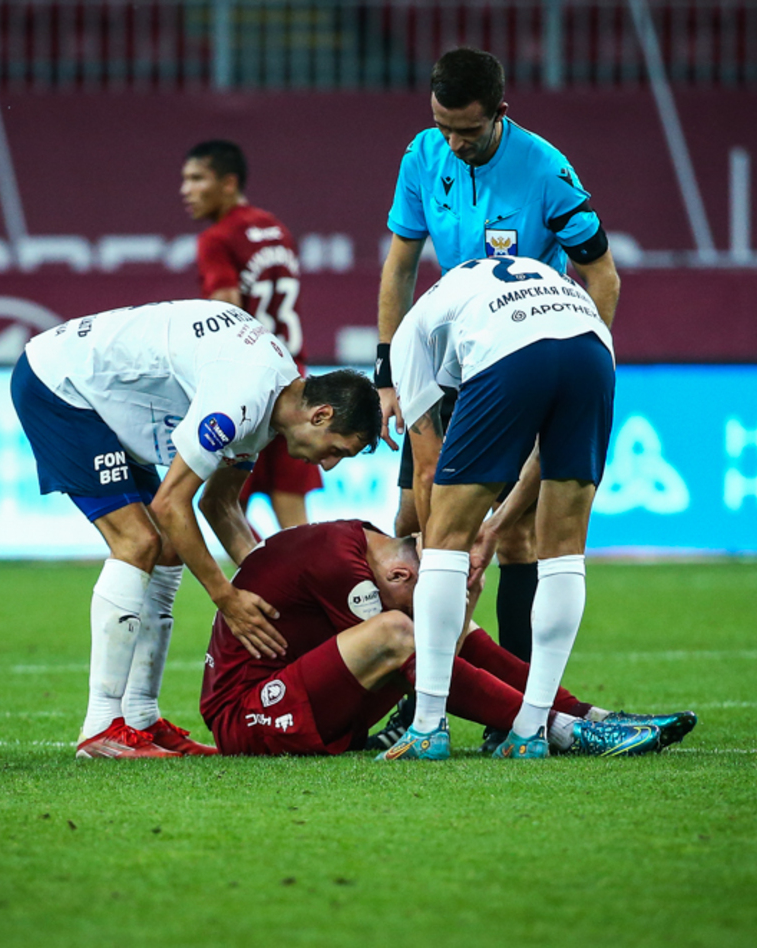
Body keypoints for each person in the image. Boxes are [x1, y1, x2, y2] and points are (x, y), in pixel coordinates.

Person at [372, 47, 622, 750]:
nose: (452, 142)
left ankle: (500, 710)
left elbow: (601, 272)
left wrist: (592, 338)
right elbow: (399, 267)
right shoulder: (422, 156)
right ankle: (433, 696)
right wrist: (386, 374)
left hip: (516, 350)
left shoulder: (546, 167)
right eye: (442, 126)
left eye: (468, 132)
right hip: (460, 343)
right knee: (411, 520)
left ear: (501, 115)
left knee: (512, 536)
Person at [10, 299, 381, 758]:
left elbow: (219, 503)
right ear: (320, 415)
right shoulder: (242, 399)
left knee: (167, 550)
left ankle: (142, 718)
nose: (327, 464)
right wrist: (226, 596)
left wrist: (277, 587)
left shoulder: (272, 399)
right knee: (139, 540)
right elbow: (172, 504)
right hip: (62, 385)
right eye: (336, 450)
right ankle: (101, 726)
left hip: (109, 396)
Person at [381, 254, 617, 761]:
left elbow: (427, 469)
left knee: (442, 542)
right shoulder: (481, 288)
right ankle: (531, 730)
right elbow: (541, 456)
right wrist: (497, 525)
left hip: (508, 349)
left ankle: (426, 726)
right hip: (593, 344)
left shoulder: (408, 338)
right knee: (562, 551)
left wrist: (441, 551)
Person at [200, 519, 693, 757]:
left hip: (306, 699)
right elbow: (420, 659)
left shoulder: (366, 543)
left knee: (429, 630)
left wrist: (461, 604)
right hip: (248, 715)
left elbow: (434, 654)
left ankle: (588, 715)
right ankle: (561, 731)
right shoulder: (342, 565)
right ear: (398, 575)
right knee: (403, 632)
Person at [181, 139, 322, 530]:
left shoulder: (217, 238)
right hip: (295, 381)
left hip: (250, 388)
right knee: (295, 519)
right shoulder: (276, 228)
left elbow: (227, 311)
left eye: (196, 179)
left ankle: (263, 582)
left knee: (224, 507)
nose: (185, 190)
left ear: (228, 183)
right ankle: (306, 587)